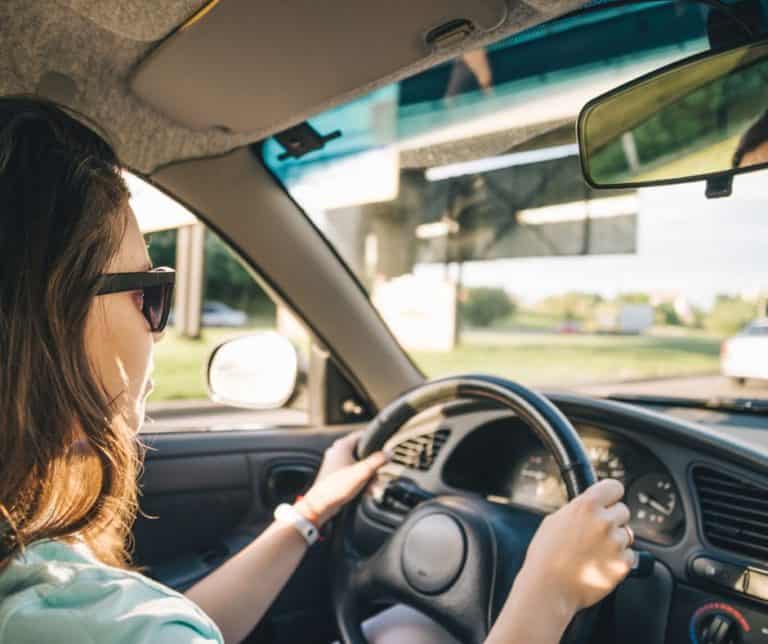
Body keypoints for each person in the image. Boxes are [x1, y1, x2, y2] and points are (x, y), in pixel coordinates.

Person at [0, 96, 634, 644]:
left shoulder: (50, 588)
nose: (155, 323)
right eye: (148, 289)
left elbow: (179, 625)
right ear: (46, 318)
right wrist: (550, 592)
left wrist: (310, 513)